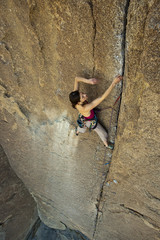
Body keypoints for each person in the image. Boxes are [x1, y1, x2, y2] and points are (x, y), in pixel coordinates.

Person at [69, 75, 123, 149]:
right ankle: (106, 144)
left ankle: (77, 131)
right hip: (90, 121)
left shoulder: (75, 99)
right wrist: (113, 83)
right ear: (78, 102)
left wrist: (89, 81)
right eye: (83, 97)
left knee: (82, 125)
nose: (85, 95)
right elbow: (101, 98)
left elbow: (76, 79)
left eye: (82, 93)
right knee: (102, 133)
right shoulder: (85, 108)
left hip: (82, 117)